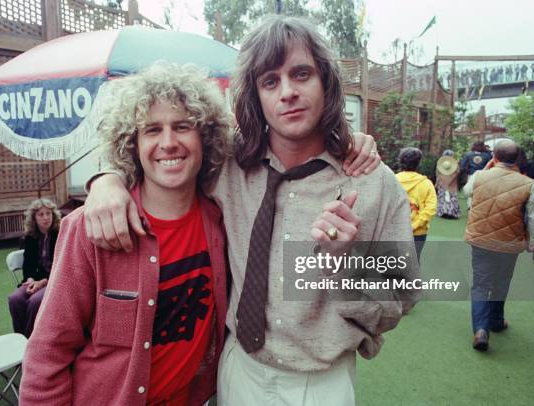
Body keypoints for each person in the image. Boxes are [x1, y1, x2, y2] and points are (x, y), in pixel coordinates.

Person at [84, 16, 419, 405]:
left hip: (320, 384)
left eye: (301, 74)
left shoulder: (374, 185)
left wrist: (346, 266)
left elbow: (400, 301)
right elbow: (162, 154)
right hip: (237, 368)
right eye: (270, 81)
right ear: (255, 96)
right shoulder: (226, 165)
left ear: (326, 81)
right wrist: (106, 179)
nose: (288, 92)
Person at [19, 64, 231, 405]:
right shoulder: (88, 228)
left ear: (205, 136)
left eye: (182, 126)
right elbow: (47, 353)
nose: (168, 142)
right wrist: (105, 180)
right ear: (132, 143)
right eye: (151, 130)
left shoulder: (220, 217)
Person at [464, 139, 534, 351]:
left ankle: (481, 329)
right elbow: (532, 218)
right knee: (502, 282)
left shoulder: (479, 176)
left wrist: (484, 169)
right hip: (509, 243)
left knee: (481, 284)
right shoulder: (529, 184)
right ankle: (496, 321)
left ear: (494, 157)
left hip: (481, 240)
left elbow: (467, 191)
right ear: (517, 159)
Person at [7, 198, 61, 338]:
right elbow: (28, 263)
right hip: (35, 280)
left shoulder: (61, 234)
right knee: (15, 299)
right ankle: (20, 339)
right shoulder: (30, 237)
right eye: (41, 214)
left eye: (48, 213)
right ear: (34, 218)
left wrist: (42, 282)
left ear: (53, 215)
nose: (45, 218)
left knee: (34, 302)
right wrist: (31, 279)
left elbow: (62, 265)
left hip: (56, 280)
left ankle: (32, 340)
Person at [396, 147, 437, 260]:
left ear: (400, 161)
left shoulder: (392, 181)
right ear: (418, 162)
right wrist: (414, 225)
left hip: (395, 230)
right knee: (414, 260)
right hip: (418, 232)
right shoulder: (426, 184)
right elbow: (430, 209)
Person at [460, 141, 492, 208]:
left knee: (471, 190)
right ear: (483, 146)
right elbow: (490, 166)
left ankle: (470, 205)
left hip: (471, 174)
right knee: (481, 191)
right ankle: (480, 205)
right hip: (483, 175)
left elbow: (463, 166)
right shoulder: (487, 155)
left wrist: (467, 171)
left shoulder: (468, 154)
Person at [435, 149, 461, 219]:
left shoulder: (440, 164)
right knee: (452, 198)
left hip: (442, 183)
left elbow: (437, 175)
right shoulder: (455, 165)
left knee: (443, 197)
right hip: (452, 184)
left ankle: (443, 211)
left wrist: (436, 184)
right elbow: (458, 173)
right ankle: (453, 212)